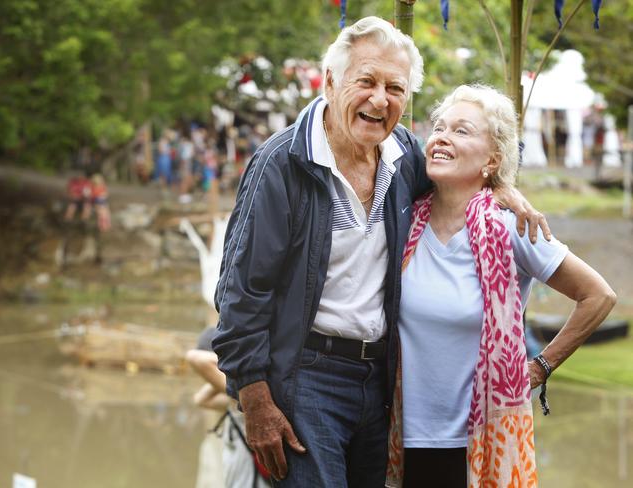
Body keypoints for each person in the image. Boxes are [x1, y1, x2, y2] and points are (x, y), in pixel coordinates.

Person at [212, 17, 548, 487]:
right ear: (330, 81)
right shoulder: (281, 164)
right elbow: (240, 292)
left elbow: (466, 174)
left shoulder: (406, 156)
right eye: (366, 81)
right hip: (307, 374)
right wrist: (254, 398)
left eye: (395, 88)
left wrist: (503, 188)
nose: (380, 99)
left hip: (383, 378)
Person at [386, 84, 616, 487]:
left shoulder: (511, 227)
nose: (441, 136)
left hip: (476, 441)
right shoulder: (404, 219)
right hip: (397, 438)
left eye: (461, 130)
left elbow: (597, 296)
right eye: (438, 127)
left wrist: (541, 367)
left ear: (492, 159)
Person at [187, 328, 272, 488]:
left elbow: (194, 358)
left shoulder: (246, 397)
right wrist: (231, 377)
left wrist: (231, 364)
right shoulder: (233, 397)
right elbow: (200, 399)